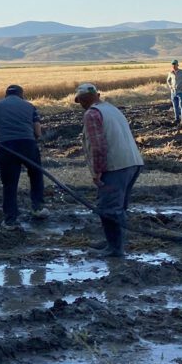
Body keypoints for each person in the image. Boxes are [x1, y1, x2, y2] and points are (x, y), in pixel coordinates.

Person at [74, 83, 144, 258]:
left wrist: (98, 171)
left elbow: (98, 146)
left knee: (109, 208)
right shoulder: (111, 109)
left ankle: (115, 249)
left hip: (115, 166)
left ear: (82, 100)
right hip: (132, 162)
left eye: (80, 101)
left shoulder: (91, 114)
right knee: (118, 207)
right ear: (97, 95)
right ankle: (113, 242)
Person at [0, 84, 45, 230]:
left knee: (10, 184)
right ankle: (38, 208)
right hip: (28, 144)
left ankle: (10, 220)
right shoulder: (30, 106)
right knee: (36, 174)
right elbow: (38, 132)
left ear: (6, 95)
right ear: (21, 95)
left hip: (6, 147)